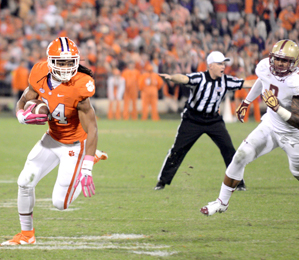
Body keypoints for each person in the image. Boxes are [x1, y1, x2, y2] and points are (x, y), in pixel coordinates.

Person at [1, 37, 108, 246]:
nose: (67, 67)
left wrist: (86, 167)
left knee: (60, 203)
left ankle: (92, 157)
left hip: (76, 145)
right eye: (61, 62)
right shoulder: (39, 72)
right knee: (24, 182)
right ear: (50, 62)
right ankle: (26, 235)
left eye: (70, 62)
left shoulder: (80, 85)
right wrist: (21, 115)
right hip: (52, 138)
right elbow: (24, 99)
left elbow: (92, 127)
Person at [200, 39, 299, 216]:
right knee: (240, 156)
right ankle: (222, 202)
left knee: (296, 173)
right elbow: (263, 81)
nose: (280, 63)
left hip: (293, 135)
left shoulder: (296, 82)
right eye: (277, 59)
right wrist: (246, 101)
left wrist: (277, 108)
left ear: (294, 63)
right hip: (270, 124)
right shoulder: (264, 67)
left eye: (285, 61)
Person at [154, 51, 252, 191]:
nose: (223, 66)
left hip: (213, 120)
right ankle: (162, 182)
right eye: (219, 64)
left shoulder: (226, 80)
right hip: (193, 119)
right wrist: (171, 78)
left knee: (229, 149)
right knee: (178, 150)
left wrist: (270, 81)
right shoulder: (200, 77)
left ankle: (238, 182)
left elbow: (247, 83)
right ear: (210, 66)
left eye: (224, 64)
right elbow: (183, 78)